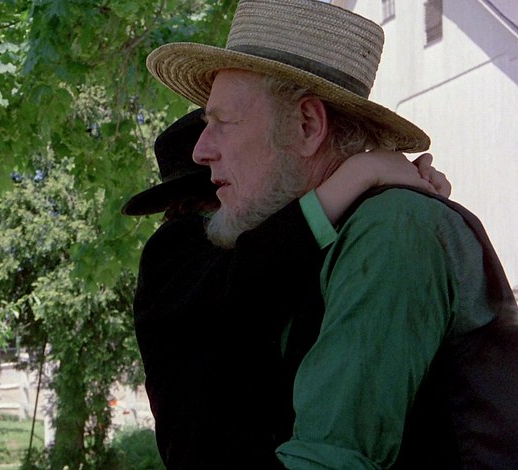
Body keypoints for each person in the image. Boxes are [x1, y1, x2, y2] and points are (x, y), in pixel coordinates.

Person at [144, 0, 518, 468]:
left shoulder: (391, 225)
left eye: (222, 123)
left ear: (307, 126)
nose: (201, 152)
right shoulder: (331, 237)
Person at [125, 108, 451, 468]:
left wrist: (403, 186)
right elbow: (249, 280)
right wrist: (359, 174)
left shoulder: (279, 251)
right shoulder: (172, 247)